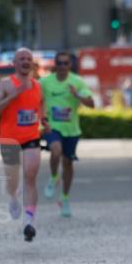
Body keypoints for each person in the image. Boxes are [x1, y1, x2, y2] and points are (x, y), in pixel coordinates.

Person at [0, 47, 48, 242]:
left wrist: (44, 121)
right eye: (21, 58)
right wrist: (12, 96)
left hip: (31, 137)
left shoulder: (38, 86)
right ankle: (13, 197)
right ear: (14, 63)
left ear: (32, 64)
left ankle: (29, 222)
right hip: (9, 139)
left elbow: (41, 107)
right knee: (12, 180)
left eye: (28, 58)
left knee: (30, 176)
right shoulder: (5, 84)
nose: (25, 60)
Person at [40, 51, 94, 217]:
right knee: (55, 150)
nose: (63, 66)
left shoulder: (77, 82)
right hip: (52, 127)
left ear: (70, 65)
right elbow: (37, 100)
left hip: (71, 129)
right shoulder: (45, 82)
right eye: (60, 63)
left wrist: (77, 95)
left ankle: (64, 198)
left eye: (66, 63)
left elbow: (91, 104)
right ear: (55, 65)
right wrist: (41, 118)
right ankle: (54, 177)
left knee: (68, 163)